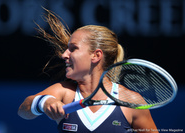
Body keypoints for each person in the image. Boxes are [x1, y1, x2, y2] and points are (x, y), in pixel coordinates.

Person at [18, 9, 158, 133]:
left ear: (96, 55)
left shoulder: (131, 101)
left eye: (73, 48)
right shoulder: (64, 92)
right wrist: (45, 102)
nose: (64, 55)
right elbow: (23, 110)